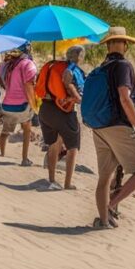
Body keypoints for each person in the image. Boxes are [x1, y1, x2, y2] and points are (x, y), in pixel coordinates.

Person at [92, 27, 135, 229]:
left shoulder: (103, 66)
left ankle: (103, 219)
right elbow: (125, 98)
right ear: (125, 45)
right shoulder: (123, 66)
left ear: (108, 45)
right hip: (118, 124)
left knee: (104, 177)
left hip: (99, 126)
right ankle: (112, 205)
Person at [39, 45, 87, 191]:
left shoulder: (53, 65)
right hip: (64, 112)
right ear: (79, 56)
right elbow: (69, 84)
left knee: (54, 144)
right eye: (82, 55)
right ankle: (67, 183)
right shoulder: (72, 69)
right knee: (73, 147)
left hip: (45, 109)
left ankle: (52, 179)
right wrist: (78, 98)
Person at [0, 44, 38, 166]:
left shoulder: (7, 64)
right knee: (27, 129)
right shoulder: (28, 64)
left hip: (7, 105)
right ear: (27, 50)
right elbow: (29, 85)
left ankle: (2, 155)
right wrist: (34, 104)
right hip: (22, 105)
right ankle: (24, 159)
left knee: (5, 132)